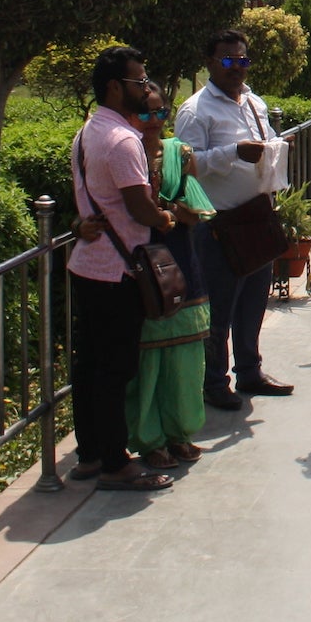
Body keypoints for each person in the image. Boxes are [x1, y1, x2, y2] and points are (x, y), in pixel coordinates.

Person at [67, 44, 176, 491]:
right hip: (118, 272)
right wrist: (165, 217)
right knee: (115, 368)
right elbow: (139, 207)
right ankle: (116, 462)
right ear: (115, 88)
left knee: (89, 363)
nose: (147, 88)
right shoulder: (123, 138)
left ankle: (90, 453)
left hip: (88, 267)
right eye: (139, 82)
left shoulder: (87, 131)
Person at [176, 29, 293, 410]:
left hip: (255, 218)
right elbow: (185, 165)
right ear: (210, 63)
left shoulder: (253, 102)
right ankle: (214, 381)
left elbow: (270, 140)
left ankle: (250, 370)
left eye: (242, 60)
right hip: (218, 224)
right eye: (228, 60)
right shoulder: (196, 110)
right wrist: (232, 153)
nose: (236, 68)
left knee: (252, 303)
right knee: (219, 309)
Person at [125, 82, 213, 471]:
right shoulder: (124, 154)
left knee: (185, 354)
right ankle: (148, 439)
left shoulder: (181, 153)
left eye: (161, 113)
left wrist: (171, 211)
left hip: (179, 259)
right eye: (145, 114)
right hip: (139, 263)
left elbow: (197, 211)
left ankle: (180, 433)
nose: (154, 122)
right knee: (148, 359)